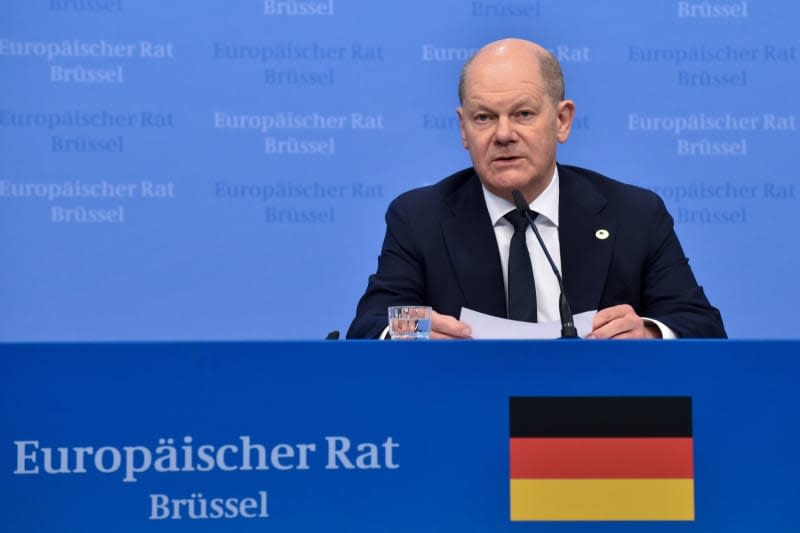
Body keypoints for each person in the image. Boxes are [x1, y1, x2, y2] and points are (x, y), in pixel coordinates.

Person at [347, 38, 726, 340]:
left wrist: (649, 333)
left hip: (596, 418)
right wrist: (419, 330)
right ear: (464, 129)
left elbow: (700, 325)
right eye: (484, 118)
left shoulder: (633, 213)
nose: (504, 134)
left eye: (523, 114)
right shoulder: (420, 217)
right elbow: (371, 324)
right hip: (465, 412)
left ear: (562, 120)